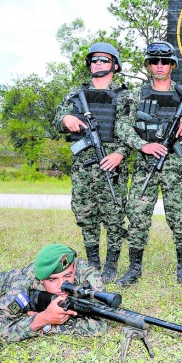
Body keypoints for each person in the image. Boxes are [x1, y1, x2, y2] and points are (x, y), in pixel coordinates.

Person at [114, 41, 182, 287]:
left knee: (181, 217)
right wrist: (143, 146)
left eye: (165, 62)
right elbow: (122, 126)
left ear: (172, 65)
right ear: (149, 65)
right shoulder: (135, 95)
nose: (160, 66)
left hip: (175, 165)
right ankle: (134, 268)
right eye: (154, 61)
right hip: (144, 164)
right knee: (138, 215)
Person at [53, 42, 130, 282]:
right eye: (94, 59)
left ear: (114, 65)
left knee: (115, 214)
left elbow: (133, 132)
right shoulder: (76, 94)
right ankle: (93, 262)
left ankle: (111, 264)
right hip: (83, 166)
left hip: (112, 165)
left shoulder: (125, 95)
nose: (98, 63)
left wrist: (120, 154)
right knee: (86, 214)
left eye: (104, 60)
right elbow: (56, 120)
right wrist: (66, 118)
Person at [0, 244, 107, 348]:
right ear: (41, 280)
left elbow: (100, 325)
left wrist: (53, 323)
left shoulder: (88, 277)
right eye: (52, 279)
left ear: (74, 267)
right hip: (11, 279)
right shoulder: (24, 284)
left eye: (67, 276)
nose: (61, 285)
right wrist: (41, 320)